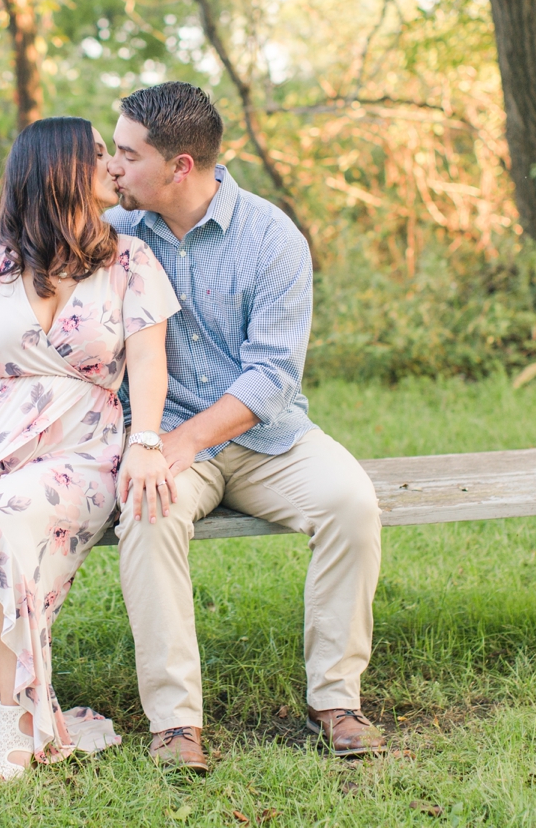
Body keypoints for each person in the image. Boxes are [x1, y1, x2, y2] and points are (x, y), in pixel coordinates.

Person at [105, 82, 385, 773]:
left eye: (126, 153)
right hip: (163, 434)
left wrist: (186, 441)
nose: (113, 166)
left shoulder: (271, 237)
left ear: (181, 167)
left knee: (351, 502)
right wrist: (155, 443)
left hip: (266, 436)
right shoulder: (117, 230)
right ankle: (175, 723)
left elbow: (272, 375)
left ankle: (336, 699)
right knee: (146, 513)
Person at [0, 116, 181, 783]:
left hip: (84, 447)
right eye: (98, 155)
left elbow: (148, 362)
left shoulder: (130, 260)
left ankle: (25, 715)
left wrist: (146, 439)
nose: (113, 165)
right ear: (59, 170)